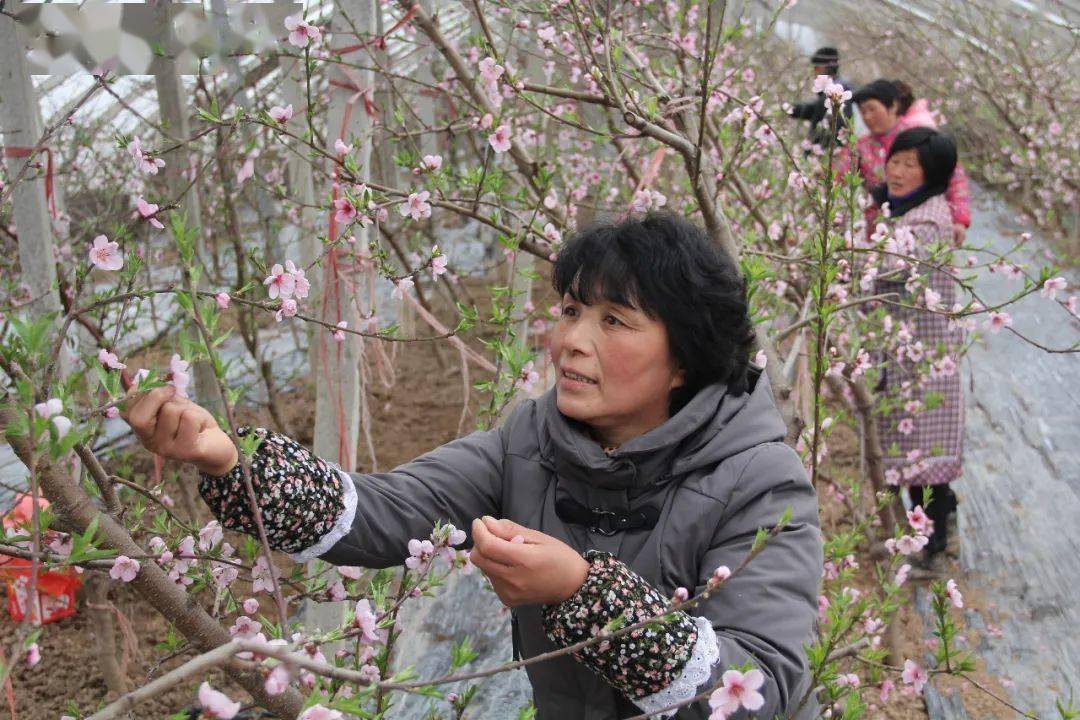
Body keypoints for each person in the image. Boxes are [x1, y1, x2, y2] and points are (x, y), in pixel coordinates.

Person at [122, 214, 823, 719]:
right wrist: (230, 459)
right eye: (572, 309)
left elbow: (758, 683)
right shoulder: (531, 441)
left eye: (614, 321)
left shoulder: (758, 479)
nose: (570, 341)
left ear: (686, 355)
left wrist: (585, 594)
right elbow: (380, 512)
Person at [869, 127, 964, 559]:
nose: (899, 171)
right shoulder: (907, 208)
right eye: (896, 160)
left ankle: (935, 544)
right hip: (910, 354)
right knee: (915, 452)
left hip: (922, 357)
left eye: (911, 164)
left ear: (933, 174)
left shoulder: (926, 220)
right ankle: (928, 533)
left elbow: (892, 276)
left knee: (923, 458)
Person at [852, 79, 972, 244]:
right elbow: (842, 172)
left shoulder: (920, 137)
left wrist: (959, 220)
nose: (867, 117)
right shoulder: (862, 145)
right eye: (862, 112)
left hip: (918, 225)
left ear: (893, 106)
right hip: (879, 227)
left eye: (872, 109)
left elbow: (954, 177)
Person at [789, 46, 854, 148]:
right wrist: (788, 109)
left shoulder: (836, 92)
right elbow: (812, 109)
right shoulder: (830, 92)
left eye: (816, 68)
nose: (813, 73)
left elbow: (835, 127)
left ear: (825, 67)